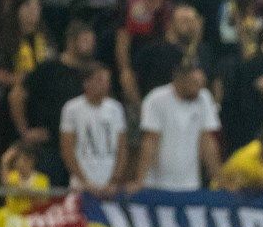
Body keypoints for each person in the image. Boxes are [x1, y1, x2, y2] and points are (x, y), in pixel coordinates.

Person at [134, 61, 221, 192]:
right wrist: (140, 180)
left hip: (190, 183)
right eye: (195, 84)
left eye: (201, 84)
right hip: (158, 184)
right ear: (180, 81)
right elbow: (150, 141)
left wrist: (218, 178)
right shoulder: (156, 99)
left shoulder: (204, 98)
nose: (199, 89)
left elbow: (207, 141)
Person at [60, 63, 127, 193]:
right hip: (81, 184)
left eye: (107, 81)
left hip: (109, 185)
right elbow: (67, 149)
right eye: (100, 80)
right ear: (86, 83)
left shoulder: (116, 109)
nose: (105, 85)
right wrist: (84, 182)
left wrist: (114, 180)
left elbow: (122, 147)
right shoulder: (72, 109)